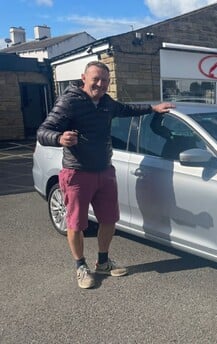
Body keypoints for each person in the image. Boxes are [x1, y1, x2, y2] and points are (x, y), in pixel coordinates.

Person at [37, 61, 175, 289]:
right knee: (76, 223)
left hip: (104, 170)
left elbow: (127, 110)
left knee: (109, 220)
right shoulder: (69, 102)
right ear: (84, 78)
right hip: (77, 172)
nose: (100, 84)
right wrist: (59, 138)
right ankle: (81, 267)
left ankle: (103, 261)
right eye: (95, 79)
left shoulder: (106, 103)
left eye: (105, 81)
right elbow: (43, 131)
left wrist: (153, 108)